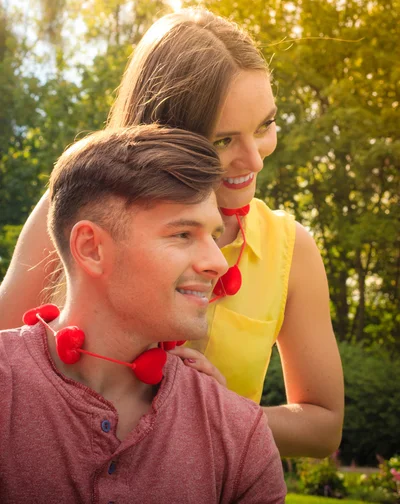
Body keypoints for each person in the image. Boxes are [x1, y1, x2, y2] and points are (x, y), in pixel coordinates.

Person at [0, 7, 344, 458]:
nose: (255, 160)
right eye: (223, 141)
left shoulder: (290, 249)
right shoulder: (73, 213)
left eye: (264, 126)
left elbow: (324, 426)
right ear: (165, 131)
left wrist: (223, 411)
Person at [0, 124, 286, 504]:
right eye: (183, 234)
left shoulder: (239, 433)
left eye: (214, 237)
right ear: (92, 248)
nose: (217, 262)